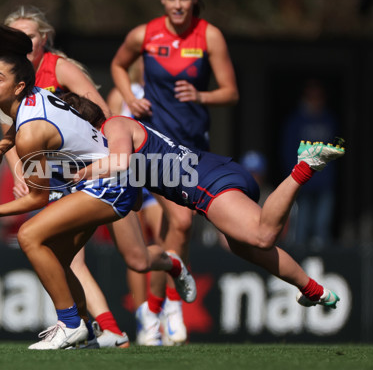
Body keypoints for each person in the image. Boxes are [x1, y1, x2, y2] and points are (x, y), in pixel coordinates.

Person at [0, 23, 196, 350]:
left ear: (19, 86)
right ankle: (88, 333)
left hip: (110, 182)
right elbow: (19, 131)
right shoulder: (33, 98)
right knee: (58, 258)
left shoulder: (30, 133)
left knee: (29, 235)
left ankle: (69, 324)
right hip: (103, 180)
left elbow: (37, 197)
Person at [66, 94, 345, 316]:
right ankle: (313, 289)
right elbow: (136, 201)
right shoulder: (112, 145)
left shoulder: (113, 125)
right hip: (211, 176)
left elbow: (122, 162)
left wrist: (79, 174)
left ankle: (304, 166)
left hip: (207, 182)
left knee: (262, 235)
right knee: (244, 245)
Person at [110, 0, 238, 345]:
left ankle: (152, 307)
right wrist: (129, 98)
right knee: (180, 223)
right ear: (162, 0)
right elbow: (118, 65)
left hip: (195, 146)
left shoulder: (209, 35)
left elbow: (230, 92)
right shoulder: (144, 34)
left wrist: (202, 96)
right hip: (157, 146)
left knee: (178, 229)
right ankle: (166, 305)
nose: (178, 5)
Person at [0, 5, 129, 348]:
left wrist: (105, 159)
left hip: (95, 175)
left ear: (44, 39)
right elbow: (12, 137)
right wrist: (18, 171)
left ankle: (90, 327)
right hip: (54, 177)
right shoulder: (8, 81)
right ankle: (99, 329)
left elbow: (104, 114)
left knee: (136, 259)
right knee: (61, 256)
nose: (23, 41)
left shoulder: (61, 68)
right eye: (16, 36)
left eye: (30, 35)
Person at [106, 58, 164, 314]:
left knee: (167, 241)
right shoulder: (119, 94)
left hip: (160, 176)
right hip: (129, 176)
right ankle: (145, 319)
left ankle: (161, 309)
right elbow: (107, 135)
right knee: (136, 251)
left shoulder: (165, 92)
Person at [281, 79, 339, 251]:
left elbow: (337, 147)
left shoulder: (329, 119)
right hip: (302, 180)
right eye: (311, 97)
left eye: (318, 97)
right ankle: (298, 262)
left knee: (322, 224)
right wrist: (293, 176)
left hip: (325, 180)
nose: (315, 101)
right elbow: (288, 150)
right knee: (302, 224)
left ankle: (324, 264)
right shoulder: (296, 121)